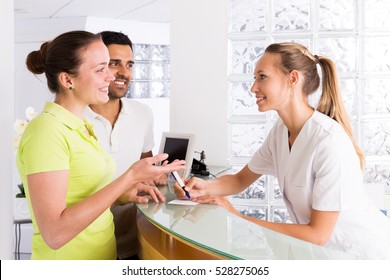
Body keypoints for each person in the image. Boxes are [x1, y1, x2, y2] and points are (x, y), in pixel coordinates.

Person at [175, 42, 390, 259]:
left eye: (262, 77)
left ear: (293, 79)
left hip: (364, 256)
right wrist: (204, 187)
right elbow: (240, 180)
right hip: (325, 255)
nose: (253, 88)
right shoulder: (281, 131)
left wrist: (237, 217)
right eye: (254, 78)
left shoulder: (329, 141)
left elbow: (317, 235)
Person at [17, 30, 185, 260]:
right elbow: (54, 234)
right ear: (67, 80)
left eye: (109, 66)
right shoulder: (46, 131)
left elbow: (80, 197)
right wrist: (129, 177)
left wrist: (121, 195)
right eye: (101, 69)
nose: (111, 76)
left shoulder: (82, 126)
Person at [85, 31, 165, 260]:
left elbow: (144, 170)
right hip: (89, 250)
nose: (124, 72)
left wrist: (163, 178)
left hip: (134, 245)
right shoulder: (74, 119)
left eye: (129, 64)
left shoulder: (143, 113)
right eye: (113, 64)